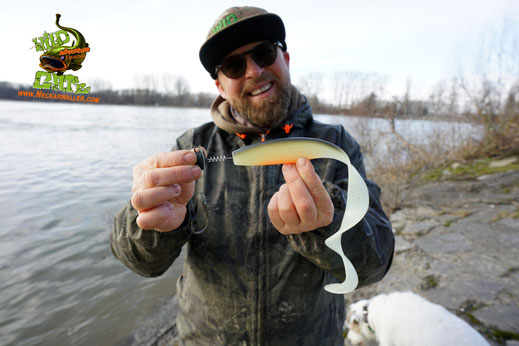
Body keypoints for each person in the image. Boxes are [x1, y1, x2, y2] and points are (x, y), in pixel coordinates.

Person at [111, 6, 394, 345]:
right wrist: (152, 224)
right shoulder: (191, 147)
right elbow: (139, 262)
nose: (254, 71)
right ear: (219, 85)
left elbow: (375, 263)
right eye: (233, 65)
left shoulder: (335, 146)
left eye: (264, 53)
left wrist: (328, 224)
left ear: (285, 58)